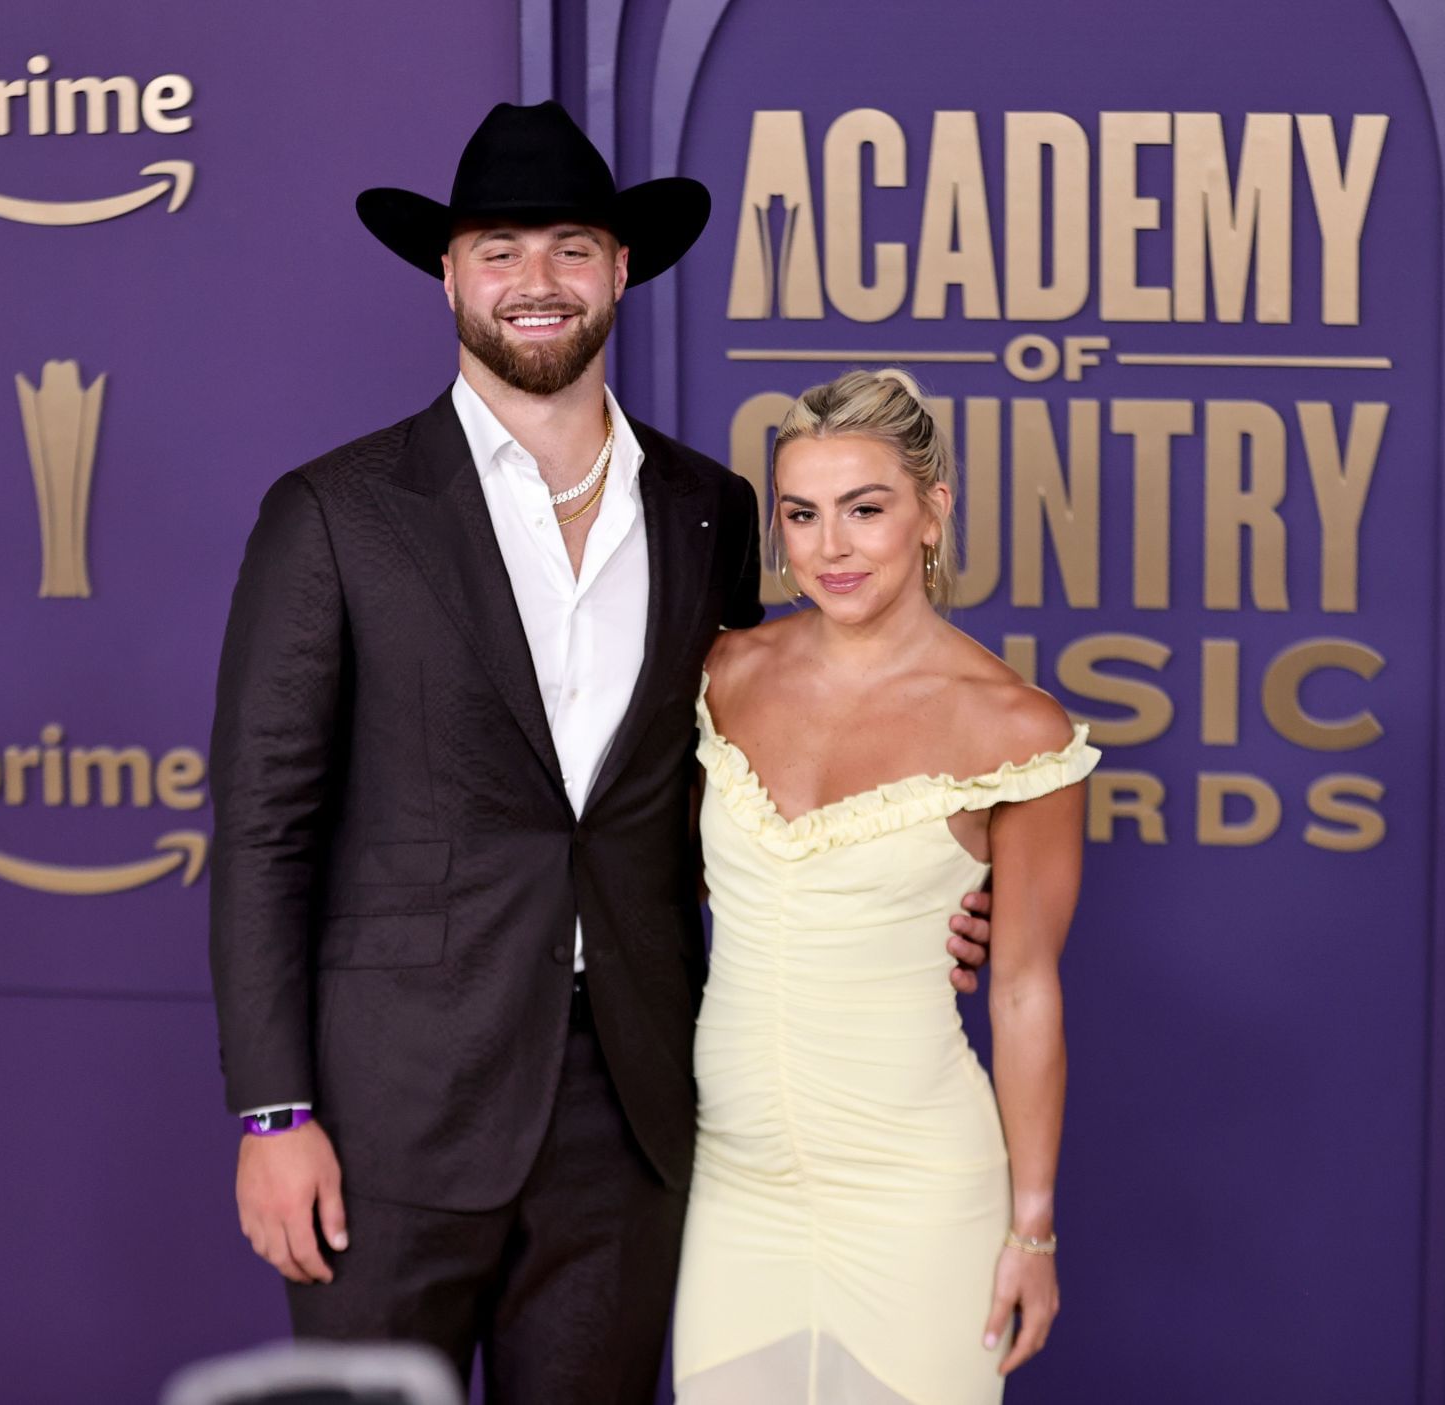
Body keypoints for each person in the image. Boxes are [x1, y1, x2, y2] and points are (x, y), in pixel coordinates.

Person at [206, 104, 996, 1404]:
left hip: (632, 1103)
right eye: (500, 250)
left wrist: (919, 893)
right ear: (449, 273)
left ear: (622, 269)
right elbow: (262, 832)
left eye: (571, 247)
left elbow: (742, 784)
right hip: (388, 1109)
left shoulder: (709, 510)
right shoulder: (335, 515)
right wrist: (274, 1114)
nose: (536, 283)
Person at [673, 369, 1099, 1404]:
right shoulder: (723, 673)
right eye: (803, 514)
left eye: (867, 509)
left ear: (932, 511)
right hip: (734, 1182)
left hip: (916, 1184)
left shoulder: (1015, 729)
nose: (832, 547)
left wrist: (1030, 1227)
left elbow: (1025, 988)